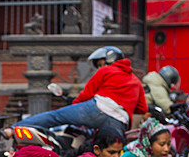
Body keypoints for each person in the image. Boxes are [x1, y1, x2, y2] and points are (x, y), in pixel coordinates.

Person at [8, 46, 147, 137]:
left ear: (109, 61)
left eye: (100, 64)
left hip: (97, 109)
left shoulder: (106, 70)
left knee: (55, 117)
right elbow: (142, 109)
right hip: (119, 121)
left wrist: (74, 106)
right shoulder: (136, 81)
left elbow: (87, 94)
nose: (99, 68)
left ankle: (12, 130)